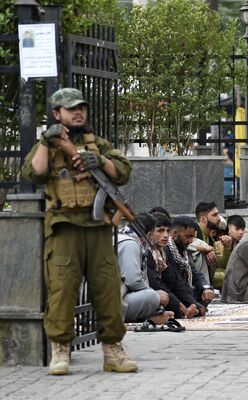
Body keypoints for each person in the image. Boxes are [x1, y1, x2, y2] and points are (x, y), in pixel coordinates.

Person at [22, 88, 137, 375]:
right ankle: (60, 350)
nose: (78, 112)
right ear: (56, 113)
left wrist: (100, 162)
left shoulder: (96, 143)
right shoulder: (48, 145)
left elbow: (123, 172)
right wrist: (48, 143)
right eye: (71, 108)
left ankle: (113, 351)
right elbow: (33, 173)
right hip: (64, 228)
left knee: (108, 289)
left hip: (98, 227)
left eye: (81, 108)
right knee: (62, 290)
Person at [117, 213, 173, 324]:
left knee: (154, 296)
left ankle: (153, 316)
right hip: (112, 301)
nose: (166, 235)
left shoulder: (124, 239)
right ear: (148, 234)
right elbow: (133, 280)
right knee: (153, 296)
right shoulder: (130, 244)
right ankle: (151, 318)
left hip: (110, 297)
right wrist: (156, 296)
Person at [147, 213, 199, 319]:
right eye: (160, 231)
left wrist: (193, 304)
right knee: (163, 296)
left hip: (163, 293)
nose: (166, 235)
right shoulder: (146, 252)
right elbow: (155, 284)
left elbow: (175, 280)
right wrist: (181, 307)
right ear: (149, 233)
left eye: (167, 231)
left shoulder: (160, 252)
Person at [166, 216, 215, 315]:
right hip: (172, 293)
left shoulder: (181, 251)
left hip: (184, 291)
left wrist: (206, 288)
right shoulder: (166, 251)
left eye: (192, 237)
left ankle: (192, 308)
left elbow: (195, 273)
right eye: (188, 237)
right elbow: (176, 283)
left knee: (207, 292)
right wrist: (194, 303)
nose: (191, 241)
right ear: (175, 233)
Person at [193, 201, 233, 288]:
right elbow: (181, 245)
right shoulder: (193, 231)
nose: (219, 218)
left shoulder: (210, 238)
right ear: (203, 219)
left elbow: (221, 264)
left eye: (218, 214)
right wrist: (204, 249)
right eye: (214, 215)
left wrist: (227, 247)